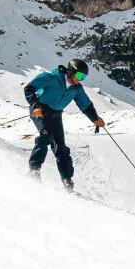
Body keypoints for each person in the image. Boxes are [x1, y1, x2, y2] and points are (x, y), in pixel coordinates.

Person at [23, 59, 104, 190]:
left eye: (83, 77)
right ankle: (34, 169)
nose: (80, 80)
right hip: (40, 110)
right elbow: (29, 89)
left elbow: (86, 105)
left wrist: (95, 118)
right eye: (79, 76)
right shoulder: (51, 78)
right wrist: (35, 105)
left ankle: (67, 179)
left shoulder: (76, 89)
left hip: (56, 115)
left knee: (61, 147)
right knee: (46, 135)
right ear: (71, 72)